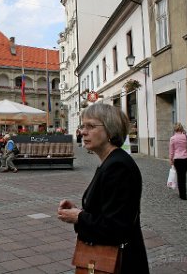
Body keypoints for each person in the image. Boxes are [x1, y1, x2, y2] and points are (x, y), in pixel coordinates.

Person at [57, 104, 149, 274]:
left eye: (91, 126)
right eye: (82, 126)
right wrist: (78, 211)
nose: (83, 132)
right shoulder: (110, 161)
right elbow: (109, 209)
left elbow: (116, 227)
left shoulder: (117, 166)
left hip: (121, 263)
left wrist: (79, 217)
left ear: (110, 130)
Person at [169, 123, 187, 200]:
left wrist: (171, 159)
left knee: (180, 176)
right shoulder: (185, 136)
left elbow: (171, 151)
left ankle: (182, 194)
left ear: (175, 129)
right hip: (186, 158)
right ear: (181, 129)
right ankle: (184, 193)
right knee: (183, 176)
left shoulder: (172, 138)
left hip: (177, 158)